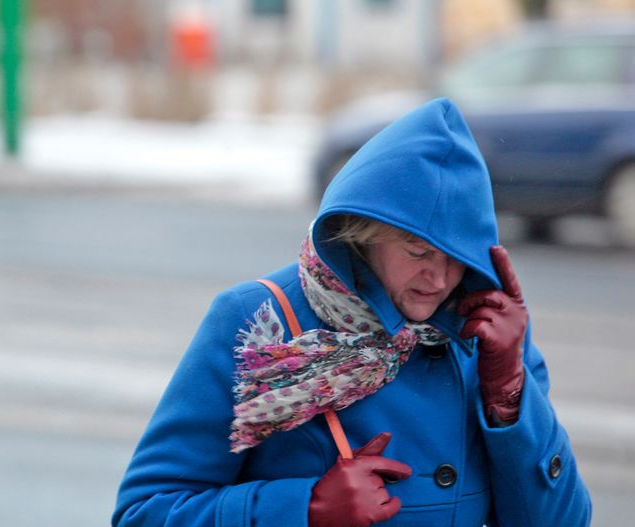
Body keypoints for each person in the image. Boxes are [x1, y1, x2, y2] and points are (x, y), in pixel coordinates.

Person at [112, 98, 591, 526]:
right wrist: (304, 510)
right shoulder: (256, 320)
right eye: (418, 252)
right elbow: (145, 512)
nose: (440, 279)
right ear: (365, 234)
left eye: (456, 257)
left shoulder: (486, 332)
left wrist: (510, 395)